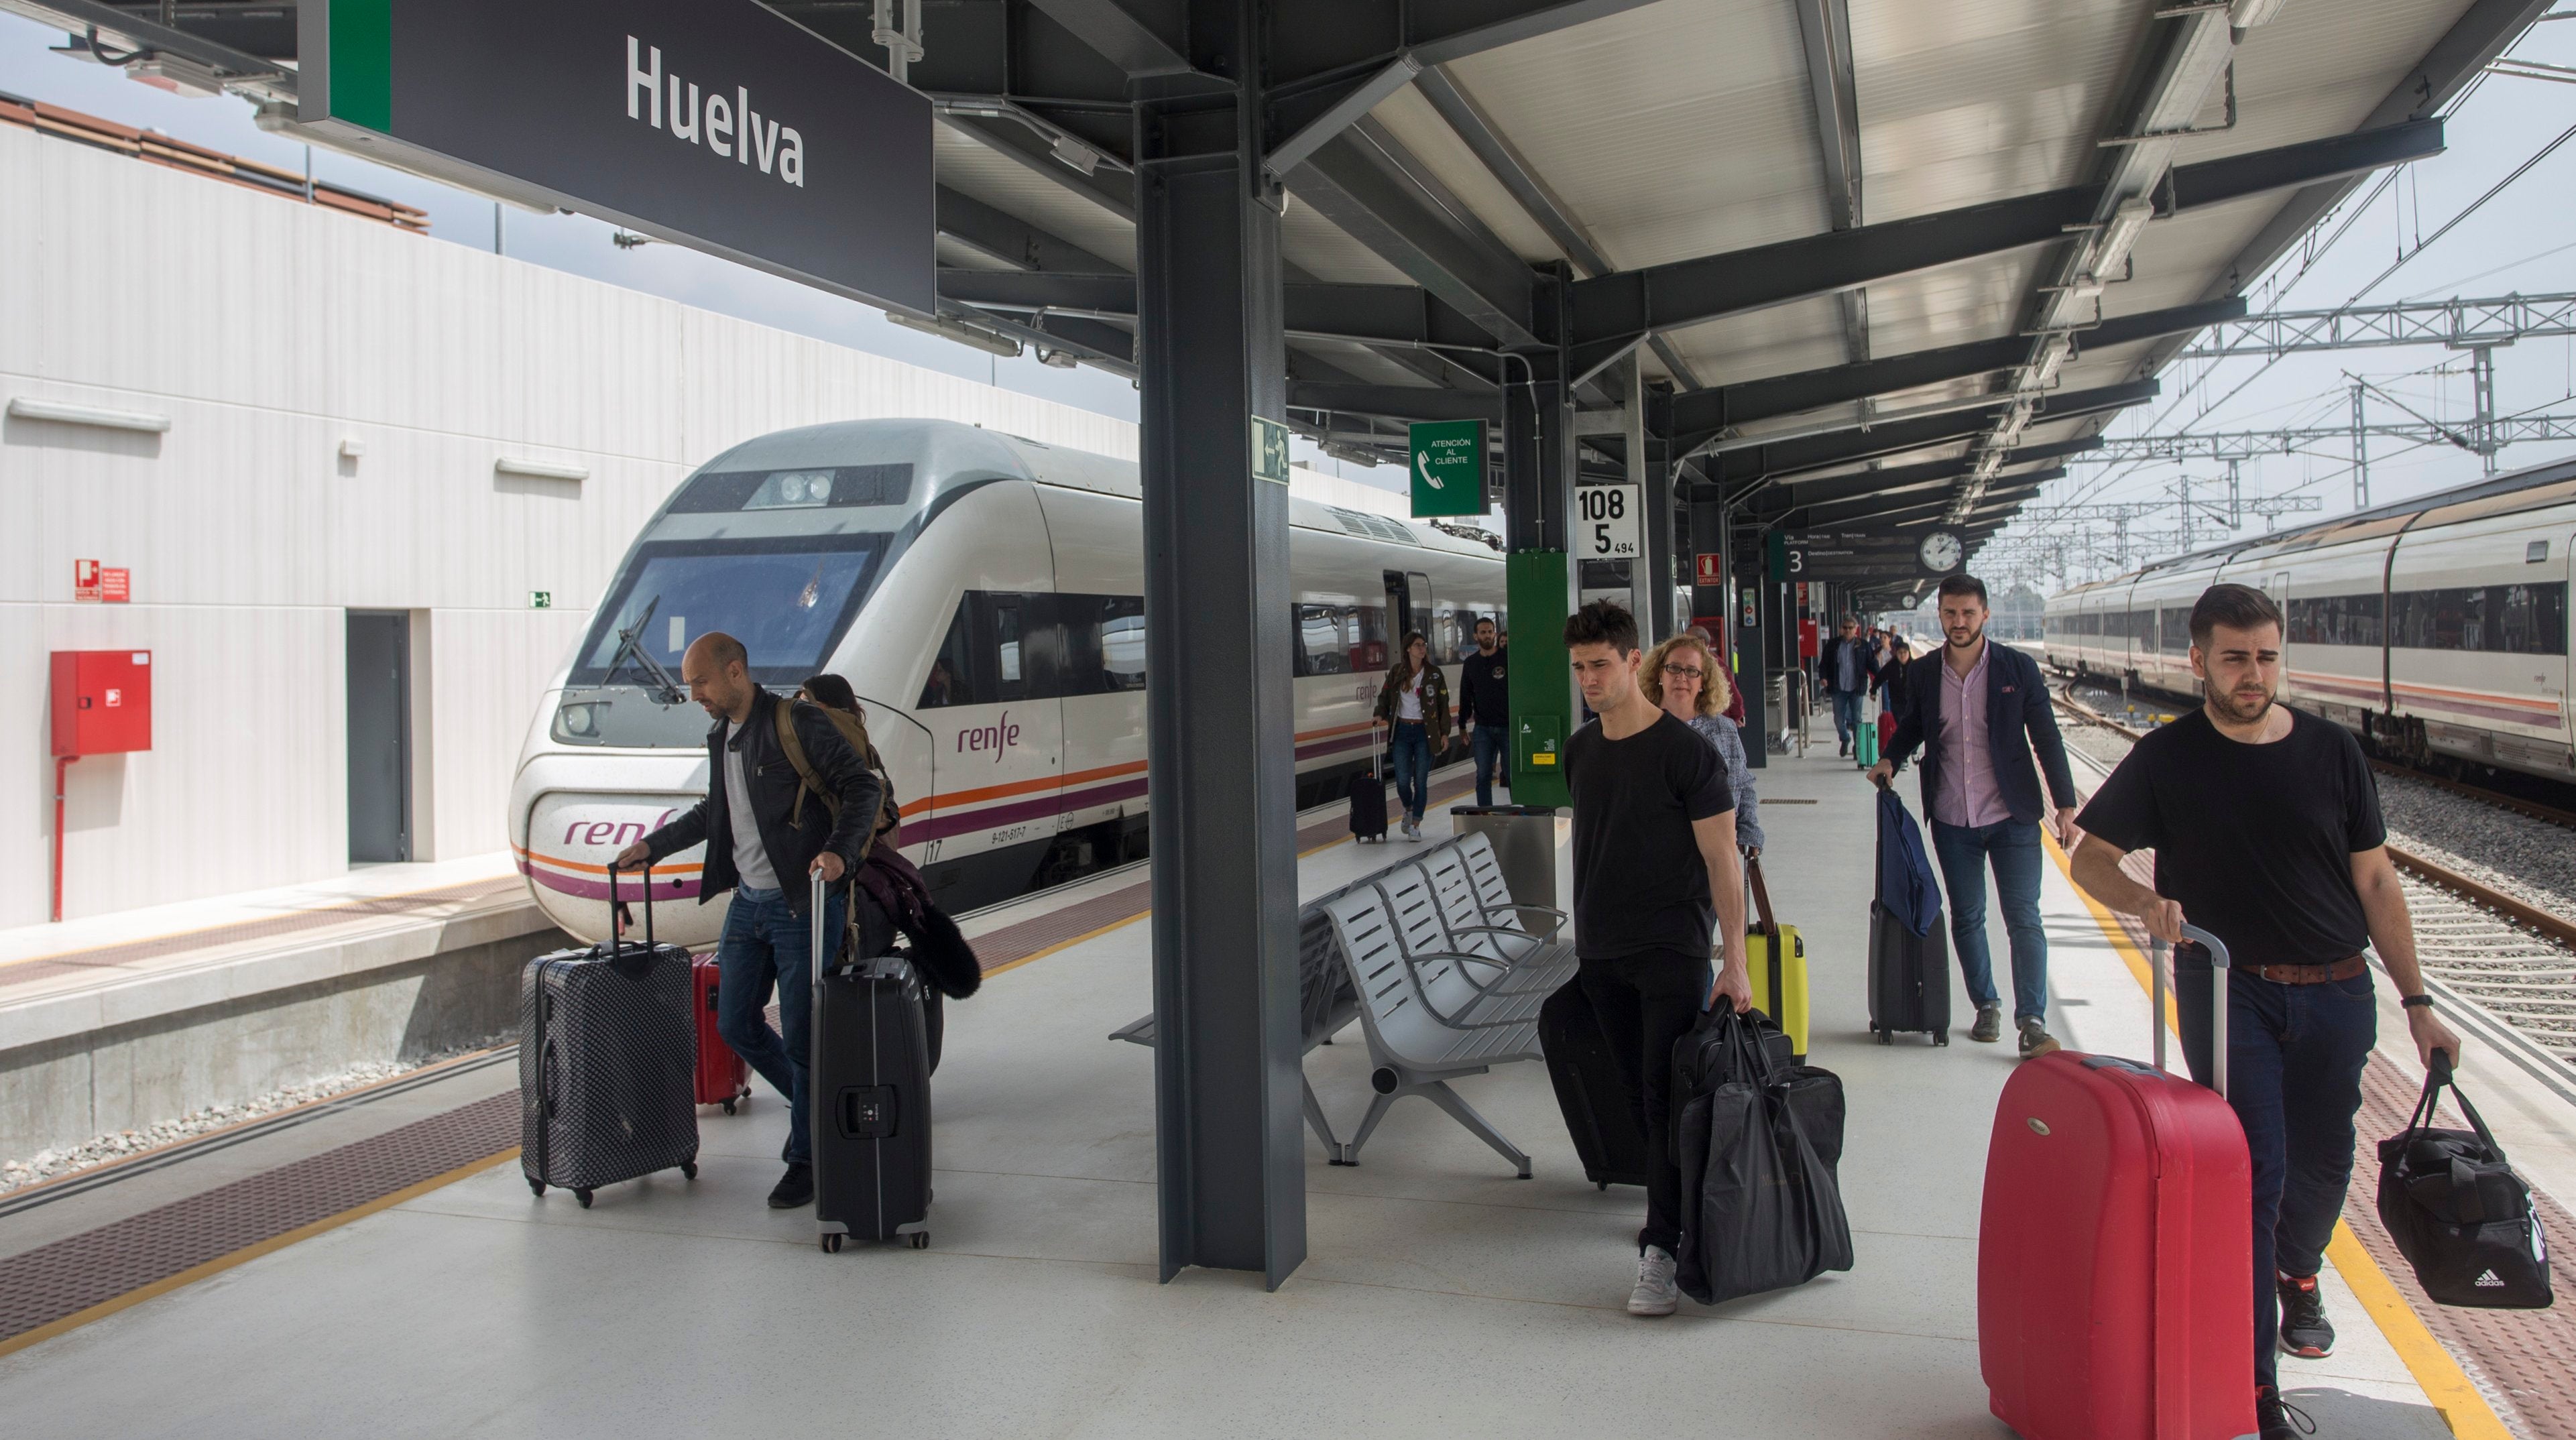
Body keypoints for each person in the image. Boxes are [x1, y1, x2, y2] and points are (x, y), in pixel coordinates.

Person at [2066, 583, 2463, 1440]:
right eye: (2236, 657)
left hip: (2336, 995)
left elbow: (2375, 881)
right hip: (2227, 987)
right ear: (2197, 660)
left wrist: (2418, 1004)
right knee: (2257, 1176)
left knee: (2323, 1171)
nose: (2254, 674)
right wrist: (2141, 901)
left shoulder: (2331, 752)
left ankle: (2299, 1271)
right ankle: (2254, 1388)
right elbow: (2088, 858)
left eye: (2266, 656)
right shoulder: (2167, 758)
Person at [615, 633, 884, 1210]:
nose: (694, 696)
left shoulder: (798, 723)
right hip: (749, 902)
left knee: (805, 1036)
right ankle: (818, 1109)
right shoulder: (723, 736)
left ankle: (807, 1160)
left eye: (700, 683)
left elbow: (864, 786)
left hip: (802, 901)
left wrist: (839, 852)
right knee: (734, 1024)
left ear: (735, 672)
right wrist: (653, 847)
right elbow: (715, 812)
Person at [1559, 600, 1750, 1318]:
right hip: (1601, 952)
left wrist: (1733, 961)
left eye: (1599, 665)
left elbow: (1721, 858)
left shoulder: (1686, 752)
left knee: (1665, 1095)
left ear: (1632, 662)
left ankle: (1660, 1250)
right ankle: (1673, 1213)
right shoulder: (1581, 750)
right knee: (1638, 1100)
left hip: (1670, 950)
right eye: (1578, 668)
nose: (1588, 679)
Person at [1868, 575, 2079, 1057]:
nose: (1958, 623)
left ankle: (2033, 1021)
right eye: (1949, 614)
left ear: (1985, 614)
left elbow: (2047, 737)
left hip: (2013, 816)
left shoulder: (2018, 669)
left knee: (2023, 917)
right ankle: (1986, 1004)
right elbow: (1915, 727)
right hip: (1951, 815)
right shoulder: (1923, 673)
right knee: (1967, 916)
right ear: (1939, 615)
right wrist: (1889, 759)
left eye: (1967, 613)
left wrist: (2065, 806)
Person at [1641, 633, 1763, 856]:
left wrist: (1750, 829)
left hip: (1714, 854)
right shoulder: (1640, 728)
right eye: (1673, 668)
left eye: (1692, 671)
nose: (1682, 678)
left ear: (1702, 682)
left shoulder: (1725, 730)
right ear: (1660, 674)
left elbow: (1744, 785)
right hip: (1655, 856)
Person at [1372, 630, 1452, 841]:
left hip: (1426, 734)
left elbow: (1444, 707)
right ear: (1408, 649)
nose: (1422, 648)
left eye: (1424, 644)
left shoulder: (1434, 674)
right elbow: (1385, 696)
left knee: (1421, 781)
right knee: (1402, 782)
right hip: (1402, 732)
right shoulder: (1397, 672)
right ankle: (1408, 808)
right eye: (1418, 645)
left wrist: (1445, 734)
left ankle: (1416, 824)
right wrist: (1379, 714)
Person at [1456, 616, 1511, 807]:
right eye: (1483, 633)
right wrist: (1462, 725)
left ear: (1495, 633)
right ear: (1475, 636)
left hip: (1508, 727)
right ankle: (1484, 814)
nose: (1488, 636)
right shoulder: (1470, 664)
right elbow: (1466, 695)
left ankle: (1519, 814)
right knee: (1483, 775)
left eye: (1490, 632)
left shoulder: (1507, 658)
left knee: (1512, 773)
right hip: (1483, 728)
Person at [1817, 615, 1872, 756]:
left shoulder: (1864, 646)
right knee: (1838, 718)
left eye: (1851, 628)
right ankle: (1845, 738)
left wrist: (1879, 681)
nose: (1847, 631)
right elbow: (1824, 664)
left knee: (1857, 719)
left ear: (1856, 629)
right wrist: (1823, 677)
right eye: (1845, 628)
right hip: (1838, 688)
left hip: (1856, 688)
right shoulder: (1833, 645)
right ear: (1842, 629)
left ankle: (1858, 747)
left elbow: (1872, 665)